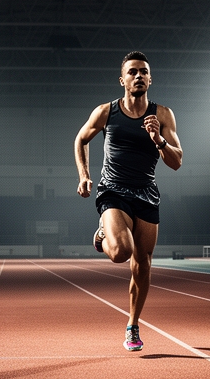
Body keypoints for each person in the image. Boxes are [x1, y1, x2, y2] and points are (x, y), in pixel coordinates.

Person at [74, 51, 182, 351]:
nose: (138, 76)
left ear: (150, 78)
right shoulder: (106, 112)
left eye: (143, 72)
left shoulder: (163, 115)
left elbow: (177, 162)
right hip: (114, 190)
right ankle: (104, 234)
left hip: (147, 193)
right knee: (122, 251)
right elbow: (81, 139)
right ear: (123, 79)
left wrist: (158, 139)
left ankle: (133, 325)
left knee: (143, 264)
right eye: (132, 72)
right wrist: (84, 175)